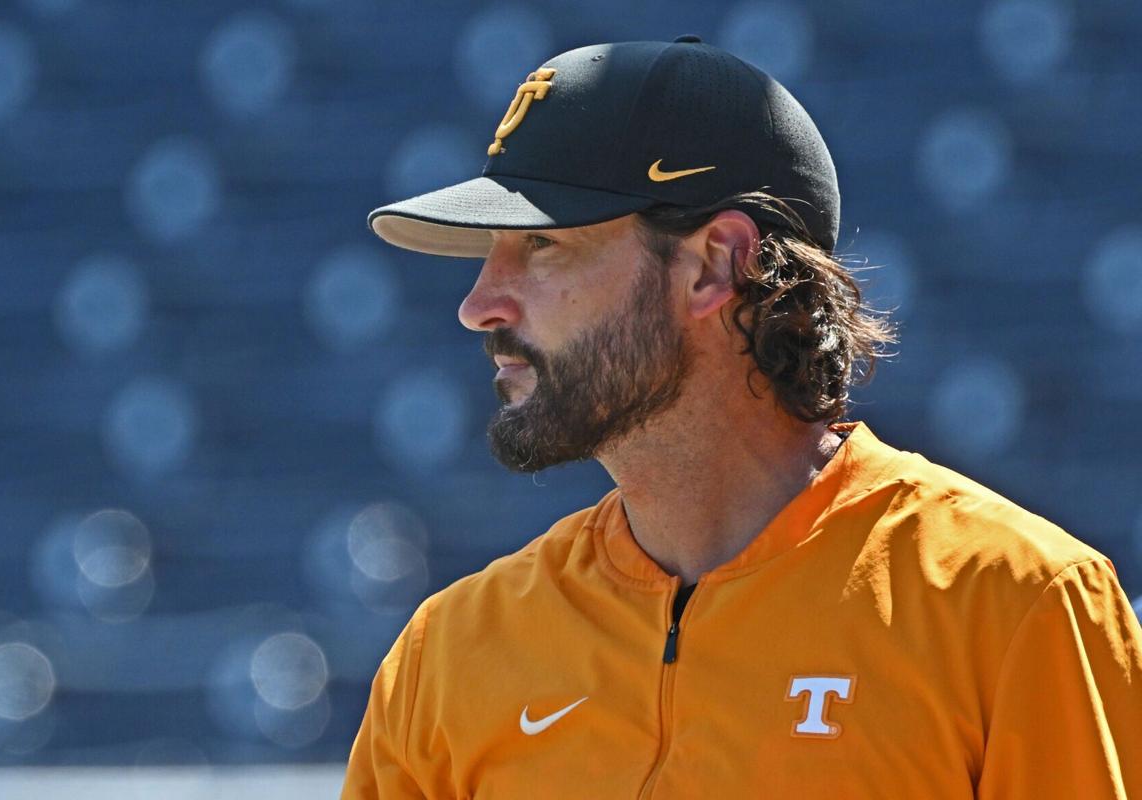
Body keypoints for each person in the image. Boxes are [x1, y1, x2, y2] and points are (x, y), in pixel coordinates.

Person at [341, 37, 1142, 798]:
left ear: (715, 264)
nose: (479, 305)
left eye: (544, 246)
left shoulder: (1014, 603)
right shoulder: (446, 658)